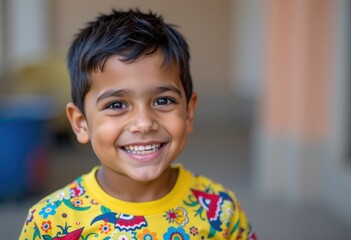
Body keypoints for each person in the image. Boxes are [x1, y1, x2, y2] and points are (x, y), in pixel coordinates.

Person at [19, 9, 256, 240]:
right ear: (81, 123)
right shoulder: (51, 223)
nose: (143, 124)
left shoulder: (221, 212)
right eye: (116, 105)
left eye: (163, 101)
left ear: (189, 113)